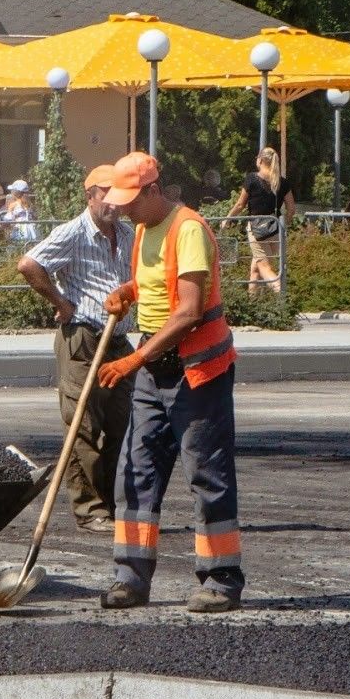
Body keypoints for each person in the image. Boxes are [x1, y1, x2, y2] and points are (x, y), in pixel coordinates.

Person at [96, 152, 243, 614]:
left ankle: (221, 580)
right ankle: (130, 578)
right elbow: (156, 285)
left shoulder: (190, 229)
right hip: (155, 370)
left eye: (129, 200)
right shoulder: (144, 230)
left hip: (197, 370)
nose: (121, 209)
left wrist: (135, 358)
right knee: (135, 472)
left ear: (153, 190)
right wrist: (129, 291)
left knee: (207, 473)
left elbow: (189, 310)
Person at [14, 165, 135, 535]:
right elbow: (29, 263)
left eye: (117, 196)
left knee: (121, 425)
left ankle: (113, 504)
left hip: (118, 342)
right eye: (105, 195)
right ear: (90, 195)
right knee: (82, 424)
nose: (112, 203)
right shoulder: (74, 232)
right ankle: (90, 508)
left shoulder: (128, 234)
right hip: (83, 337)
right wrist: (62, 303)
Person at [227, 147, 294, 293]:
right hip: (275, 229)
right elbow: (291, 208)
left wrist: (228, 219)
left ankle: (283, 295)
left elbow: (240, 204)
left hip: (257, 229)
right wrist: (284, 224)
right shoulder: (282, 182)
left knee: (264, 268)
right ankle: (253, 305)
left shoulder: (252, 179)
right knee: (255, 270)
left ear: (261, 160)